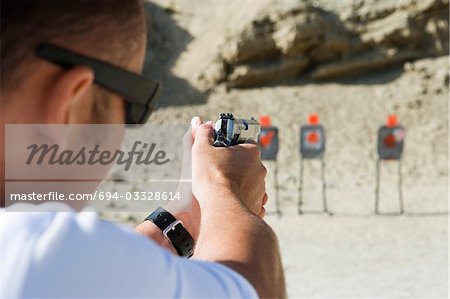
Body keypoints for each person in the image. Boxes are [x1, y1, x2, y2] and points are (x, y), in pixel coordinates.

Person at [0, 1, 286, 298]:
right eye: (134, 106)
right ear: (72, 106)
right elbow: (253, 288)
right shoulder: (36, 253)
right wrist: (225, 189)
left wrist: (185, 217)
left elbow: (95, 277)